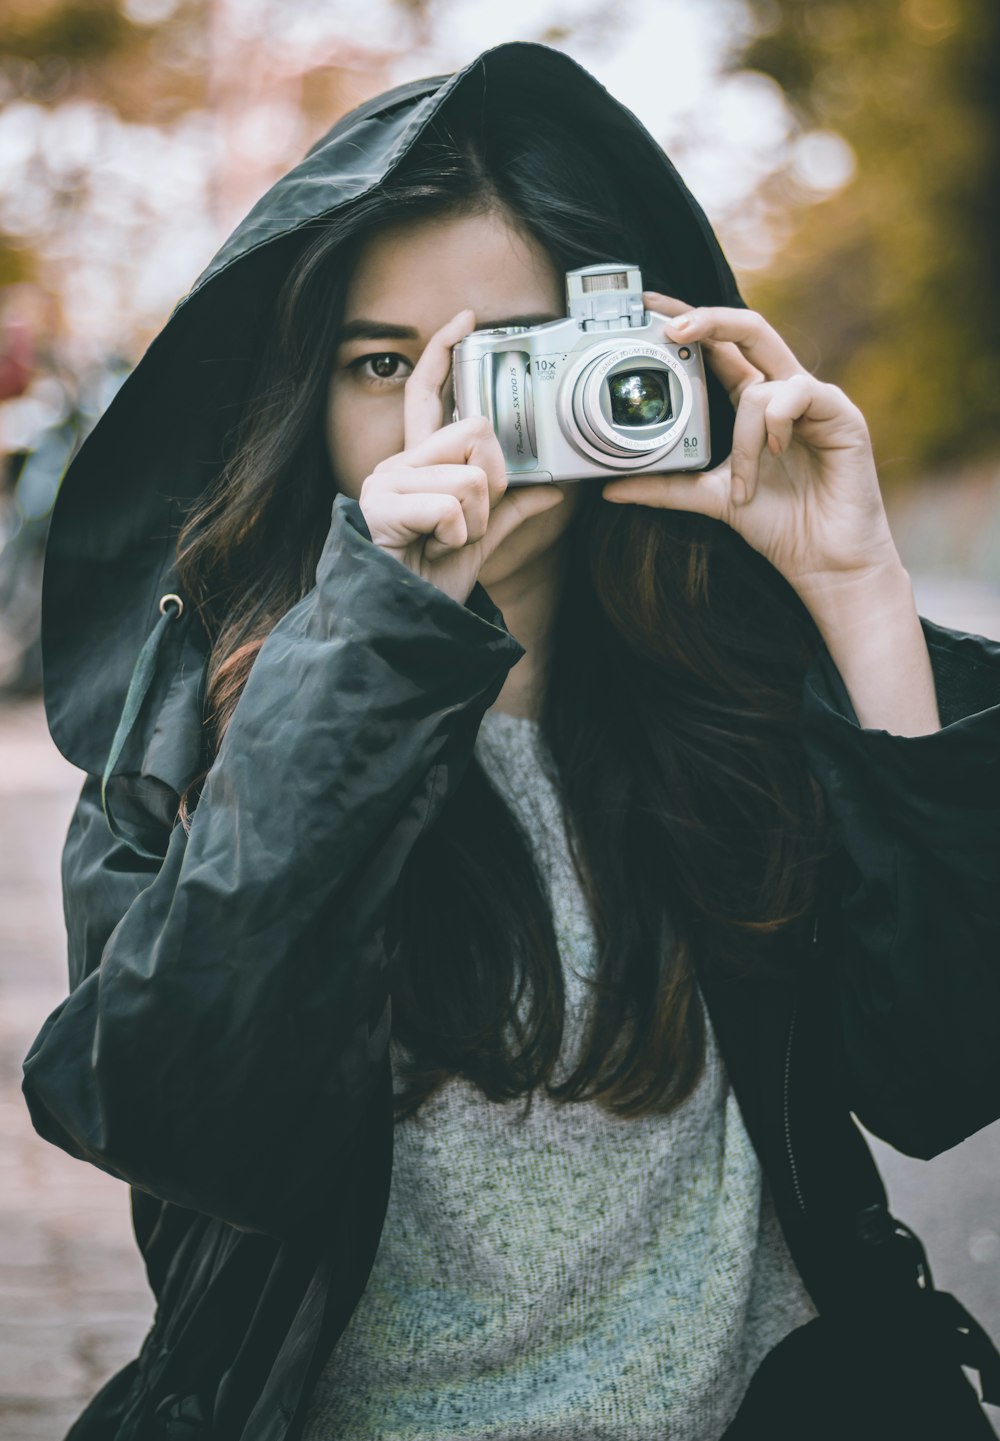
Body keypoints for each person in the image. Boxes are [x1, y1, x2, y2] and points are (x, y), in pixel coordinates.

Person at [20, 40, 1000, 1441]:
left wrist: (857, 592)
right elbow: (181, 1123)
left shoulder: (725, 703)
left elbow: (943, 1068)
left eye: (513, 355)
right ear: (310, 400)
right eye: (385, 364)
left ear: (628, 362)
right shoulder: (203, 737)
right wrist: (384, 626)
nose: (458, 416)